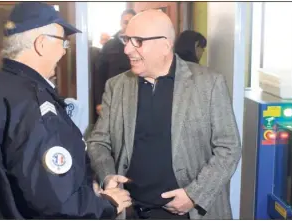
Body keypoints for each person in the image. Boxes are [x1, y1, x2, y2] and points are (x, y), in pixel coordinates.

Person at [0, 2, 131, 219]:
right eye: (63, 44)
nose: (64, 53)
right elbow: (56, 201)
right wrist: (108, 204)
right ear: (42, 44)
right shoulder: (33, 105)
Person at [87, 9, 241, 219]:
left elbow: (229, 148)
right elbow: (98, 142)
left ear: (165, 45)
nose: (127, 49)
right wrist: (107, 176)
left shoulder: (209, 84)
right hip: (132, 211)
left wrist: (194, 195)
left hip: (188, 213)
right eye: (126, 39)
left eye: (137, 41)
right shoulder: (117, 86)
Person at [94, 9, 136, 116]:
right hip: (112, 98)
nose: (128, 25)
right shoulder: (109, 46)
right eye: (125, 22)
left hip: (135, 97)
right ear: (121, 23)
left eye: (131, 22)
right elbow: (99, 75)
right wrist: (99, 101)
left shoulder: (141, 44)